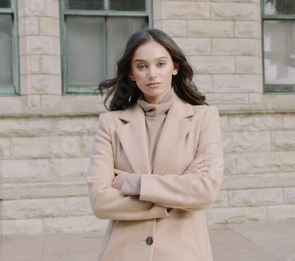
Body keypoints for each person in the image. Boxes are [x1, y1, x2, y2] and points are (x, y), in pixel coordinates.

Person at [87, 28, 224, 261]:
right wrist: (176, 196)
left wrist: (134, 183)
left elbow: (205, 190)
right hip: (123, 253)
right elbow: (100, 202)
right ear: (131, 73)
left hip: (184, 253)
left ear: (174, 67)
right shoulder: (110, 124)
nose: (152, 74)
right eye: (141, 66)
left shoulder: (204, 118)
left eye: (160, 64)